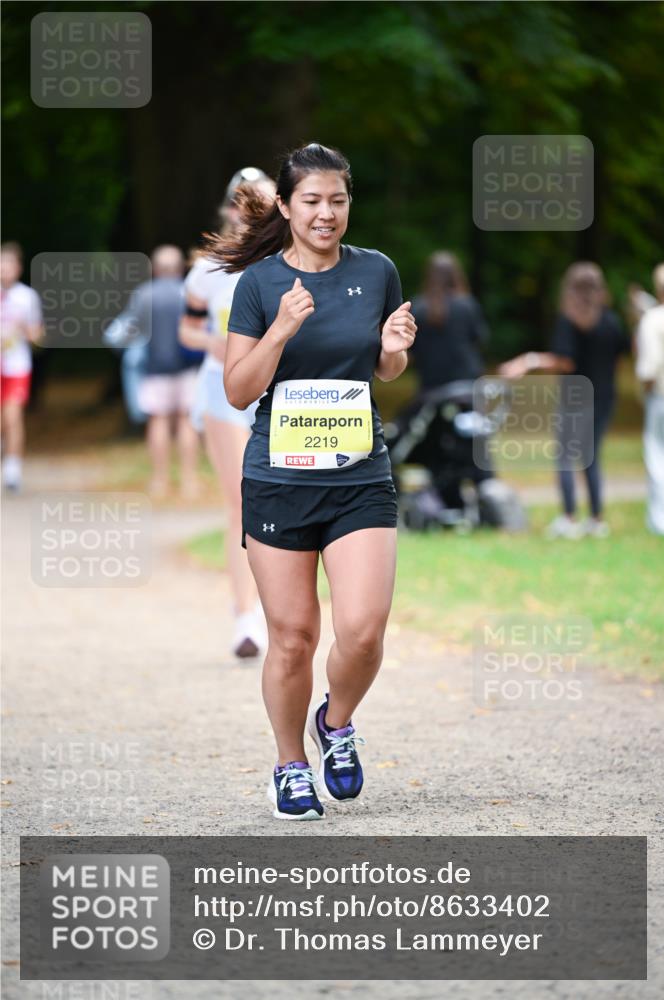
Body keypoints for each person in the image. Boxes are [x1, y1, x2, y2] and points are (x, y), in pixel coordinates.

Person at [206, 142, 416, 820]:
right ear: (288, 208)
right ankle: (289, 765)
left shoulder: (376, 270)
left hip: (358, 475)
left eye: (338, 200)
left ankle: (337, 722)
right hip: (277, 479)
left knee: (362, 630)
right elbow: (238, 390)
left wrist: (391, 352)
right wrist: (280, 331)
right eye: (312, 201)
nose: (326, 213)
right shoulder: (260, 285)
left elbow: (383, 371)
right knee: (292, 637)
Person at [179, 168, 276, 660]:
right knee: (241, 501)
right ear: (233, 208)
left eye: (264, 200)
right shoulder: (208, 269)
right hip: (220, 392)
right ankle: (245, 617)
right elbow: (186, 332)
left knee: (276, 500)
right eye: (246, 201)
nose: (254, 209)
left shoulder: (284, 262)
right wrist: (214, 343)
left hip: (273, 394)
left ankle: (277, 609)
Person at [499, 262, 629, 539]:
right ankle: (596, 519)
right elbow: (619, 359)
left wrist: (528, 360)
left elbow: (565, 361)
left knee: (565, 456)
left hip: (576, 397)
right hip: (605, 395)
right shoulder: (610, 321)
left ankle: (569, 517)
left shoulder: (569, 321)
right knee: (591, 457)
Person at [132, 245, 200, 499]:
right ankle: (189, 480)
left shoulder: (144, 294)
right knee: (186, 421)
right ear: (181, 267)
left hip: (154, 369)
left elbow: (132, 329)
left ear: (155, 269)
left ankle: (159, 480)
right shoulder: (189, 293)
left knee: (158, 420)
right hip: (188, 368)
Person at [410, 251, 489, 390]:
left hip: (430, 383)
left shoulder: (417, 307)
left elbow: (411, 348)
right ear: (456, 275)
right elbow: (480, 339)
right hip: (467, 382)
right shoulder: (467, 304)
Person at [1, 242, 43, 492]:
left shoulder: (27, 297)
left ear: (18, 268)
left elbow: (36, 334)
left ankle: (12, 470)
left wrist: (28, 332)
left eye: (8, 265)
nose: (4, 270)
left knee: (13, 416)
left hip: (16, 366)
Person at [635, 263, 664, 536]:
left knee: (658, 457)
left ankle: (661, 521)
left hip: (662, 397)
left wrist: (645, 392)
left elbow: (650, 366)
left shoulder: (654, 319)